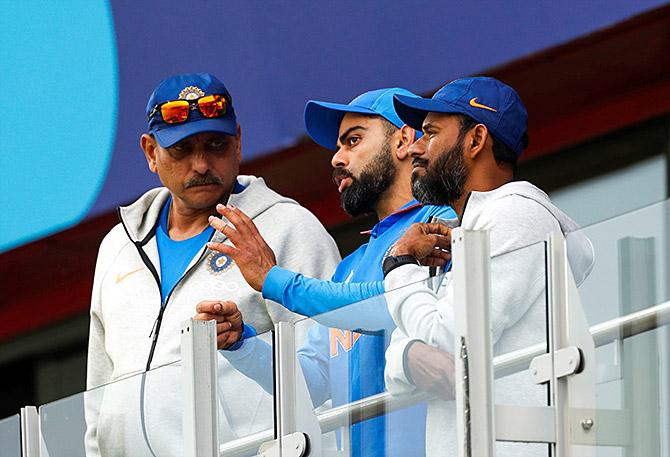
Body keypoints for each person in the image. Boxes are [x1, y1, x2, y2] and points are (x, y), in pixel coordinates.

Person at [85, 72, 340, 456]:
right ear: (151, 152)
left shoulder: (286, 225)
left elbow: (331, 374)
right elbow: (99, 395)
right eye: (181, 149)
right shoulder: (117, 245)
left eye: (216, 145)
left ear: (238, 142)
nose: (201, 164)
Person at [204, 88, 456, 457]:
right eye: (338, 147)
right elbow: (313, 381)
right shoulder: (348, 269)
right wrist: (240, 344)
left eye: (353, 140)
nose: (337, 158)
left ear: (404, 140)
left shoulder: (444, 224)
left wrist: (273, 279)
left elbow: (387, 303)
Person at [380, 76, 594, 457]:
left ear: (476, 140)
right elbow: (400, 369)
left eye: (430, 132)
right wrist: (406, 358)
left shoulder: (515, 214)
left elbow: (448, 343)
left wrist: (398, 265)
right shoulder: (458, 237)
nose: (417, 148)